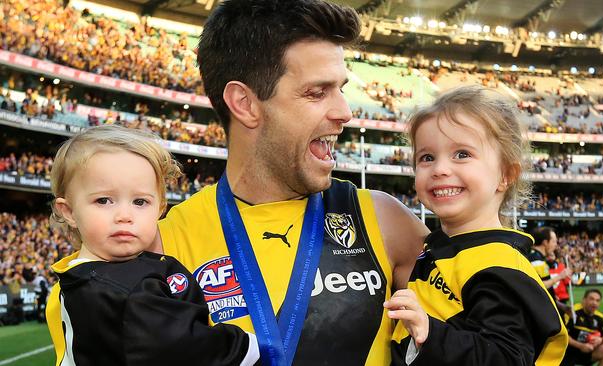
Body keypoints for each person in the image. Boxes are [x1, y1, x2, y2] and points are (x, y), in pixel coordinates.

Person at [154, 0, 428, 365]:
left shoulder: (385, 221)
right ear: (245, 104)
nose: (345, 112)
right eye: (317, 92)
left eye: (341, 88)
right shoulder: (164, 245)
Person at [45, 125, 259, 365]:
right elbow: (190, 349)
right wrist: (252, 347)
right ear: (69, 211)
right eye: (104, 200)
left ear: (160, 208)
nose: (124, 215)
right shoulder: (125, 289)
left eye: (140, 201)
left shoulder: (80, 275)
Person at [385, 85, 568, 365]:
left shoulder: (498, 265)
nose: (440, 169)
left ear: (505, 175)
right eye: (427, 157)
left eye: (462, 154)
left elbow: (507, 357)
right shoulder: (443, 248)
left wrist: (430, 333)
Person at [561, 289, 603, 366]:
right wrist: (581, 346)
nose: (594, 303)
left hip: (587, 351)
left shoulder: (599, 317)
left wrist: (600, 341)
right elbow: (563, 336)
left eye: (597, 300)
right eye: (591, 299)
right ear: (584, 300)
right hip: (567, 352)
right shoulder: (572, 312)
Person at [529, 226, 572, 313]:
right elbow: (541, 286)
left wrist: (561, 306)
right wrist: (560, 276)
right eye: (554, 241)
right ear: (545, 242)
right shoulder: (537, 261)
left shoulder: (536, 257)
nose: (556, 244)